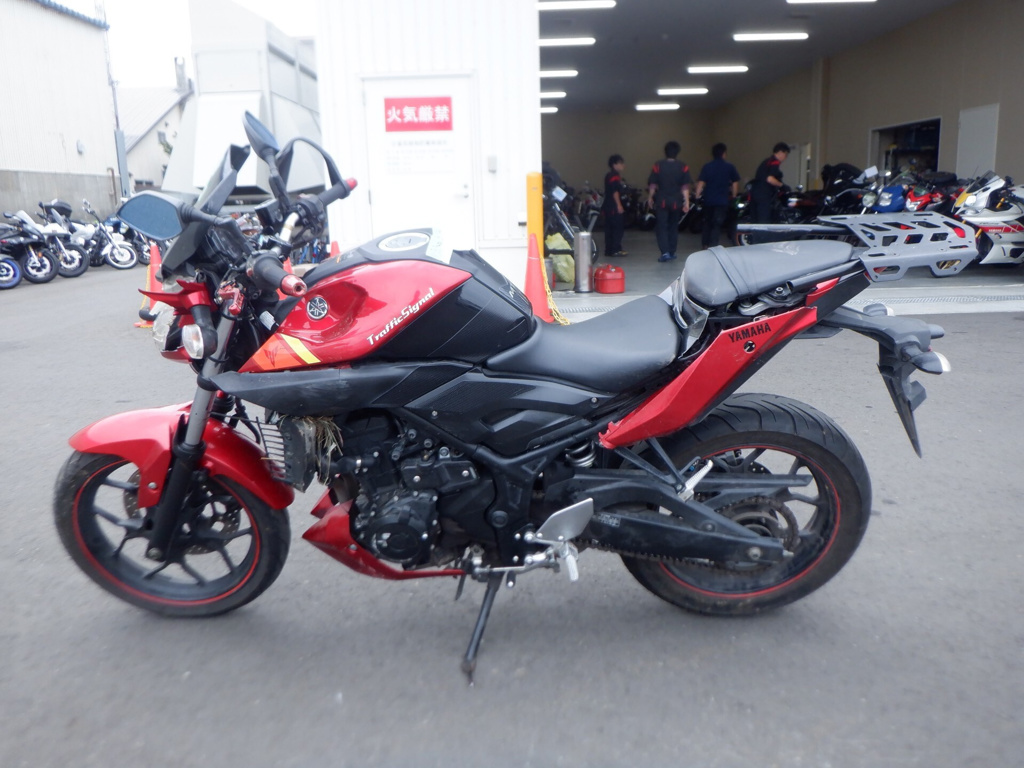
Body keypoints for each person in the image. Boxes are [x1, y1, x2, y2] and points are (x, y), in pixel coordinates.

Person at [647, 141, 692, 262]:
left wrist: (650, 197)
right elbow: (685, 186)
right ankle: (672, 251)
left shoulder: (658, 165)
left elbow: (653, 184)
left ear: (665, 152)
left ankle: (665, 252)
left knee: (661, 226)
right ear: (677, 152)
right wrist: (687, 202)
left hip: (662, 200)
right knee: (673, 226)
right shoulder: (683, 166)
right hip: (676, 201)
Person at [695, 142, 741, 249]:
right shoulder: (729, 166)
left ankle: (705, 244)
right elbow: (735, 183)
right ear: (724, 153)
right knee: (717, 224)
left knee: (707, 222)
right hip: (722, 201)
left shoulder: (707, 166)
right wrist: (734, 196)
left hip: (708, 200)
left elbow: (701, 183)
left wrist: (697, 196)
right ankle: (713, 245)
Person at [750, 142, 790, 224]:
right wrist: (782, 185)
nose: (785, 158)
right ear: (780, 152)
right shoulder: (774, 162)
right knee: (764, 221)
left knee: (756, 221)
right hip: (764, 195)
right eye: (785, 155)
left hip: (755, 194)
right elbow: (770, 179)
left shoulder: (766, 162)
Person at [602, 154, 627, 257]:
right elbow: (615, 191)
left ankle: (609, 250)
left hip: (607, 205)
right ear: (614, 164)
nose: (623, 165)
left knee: (609, 228)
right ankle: (616, 249)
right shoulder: (614, 176)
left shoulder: (609, 175)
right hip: (613, 205)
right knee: (617, 228)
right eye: (620, 163)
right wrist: (619, 205)